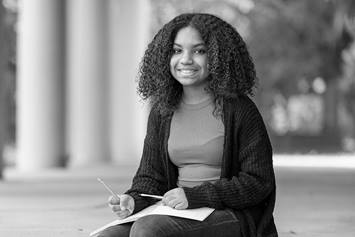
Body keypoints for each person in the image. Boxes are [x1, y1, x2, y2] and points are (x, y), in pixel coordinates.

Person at [98, 13, 278, 237]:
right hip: (177, 211)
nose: (185, 59)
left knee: (149, 230)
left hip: (229, 213)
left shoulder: (240, 110)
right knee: (107, 236)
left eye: (199, 51)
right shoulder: (162, 111)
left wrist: (196, 196)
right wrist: (133, 201)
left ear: (218, 55)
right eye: (177, 50)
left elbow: (258, 182)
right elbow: (150, 178)